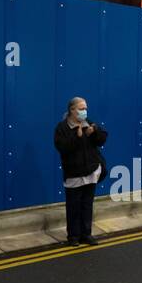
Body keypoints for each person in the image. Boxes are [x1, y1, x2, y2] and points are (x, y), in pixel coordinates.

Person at [53, 96, 107, 246]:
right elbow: (62, 148)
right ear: (72, 110)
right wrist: (76, 138)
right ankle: (73, 236)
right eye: (81, 109)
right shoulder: (62, 128)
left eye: (85, 109)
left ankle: (86, 234)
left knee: (87, 204)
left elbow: (102, 139)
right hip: (74, 174)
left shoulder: (88, 123)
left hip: (90, 171)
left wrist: (94, 132)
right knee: (73, 206)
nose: (85, 111)